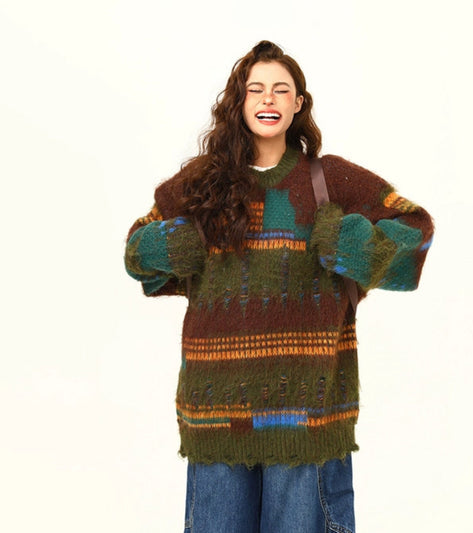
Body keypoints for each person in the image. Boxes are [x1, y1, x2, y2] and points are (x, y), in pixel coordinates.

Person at [125, 40, 433, 533]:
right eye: (256, 89)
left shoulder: (330, 179)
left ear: (298, 103)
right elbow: (137, 253)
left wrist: (351, 245)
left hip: (307, 420)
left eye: (281, 89)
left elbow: (415, 231)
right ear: (240, 101)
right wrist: (179, 244)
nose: (268, 98)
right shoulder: (202, 184)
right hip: (216, 417)